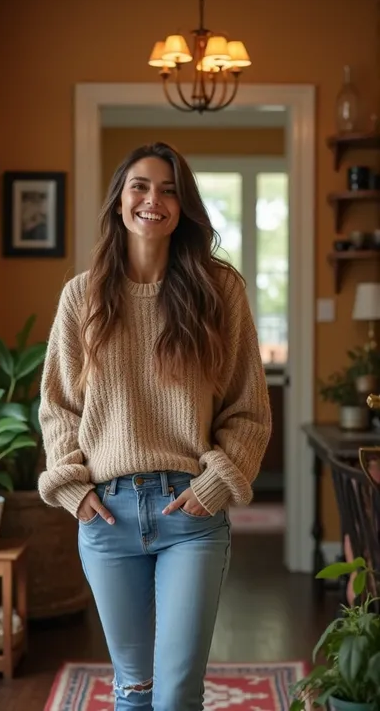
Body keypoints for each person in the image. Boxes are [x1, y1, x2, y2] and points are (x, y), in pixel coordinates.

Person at [37, 142, 272, 710]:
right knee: (133, 690)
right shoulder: (81, 298)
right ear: (120, 201)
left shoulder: (220, 293)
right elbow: (59, 407)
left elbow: (248, 408)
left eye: (169, 189)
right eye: (140, 186)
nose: (153, 199)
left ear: (183, 207)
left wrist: (215, 483)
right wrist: (72, 485)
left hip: (190, 515)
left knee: (176, 694)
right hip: (107, 515)